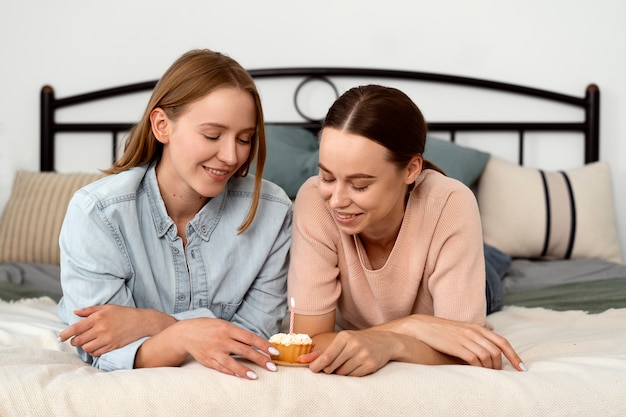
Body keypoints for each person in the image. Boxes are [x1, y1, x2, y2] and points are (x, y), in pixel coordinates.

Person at [57, 49, 292, 380]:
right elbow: (104, 352)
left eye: (245, 139)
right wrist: (190, 334)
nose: (231, 156)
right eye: (212, 135)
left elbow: (253, 338)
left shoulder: (274, 212)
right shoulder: (98, 214)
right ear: (162, 125)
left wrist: (154, 324)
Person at [288, 84, 525, 377]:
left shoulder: (450, 202)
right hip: (420, 287)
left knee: (491, 269)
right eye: (326, 176)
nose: (336, 200)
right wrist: (411, 326)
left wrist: (390, 344)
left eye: (360, 184)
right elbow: (307, 341)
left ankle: (494, 257)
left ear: (412, 169)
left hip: (470, 272)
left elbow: (466, 347)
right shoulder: (314, 200)